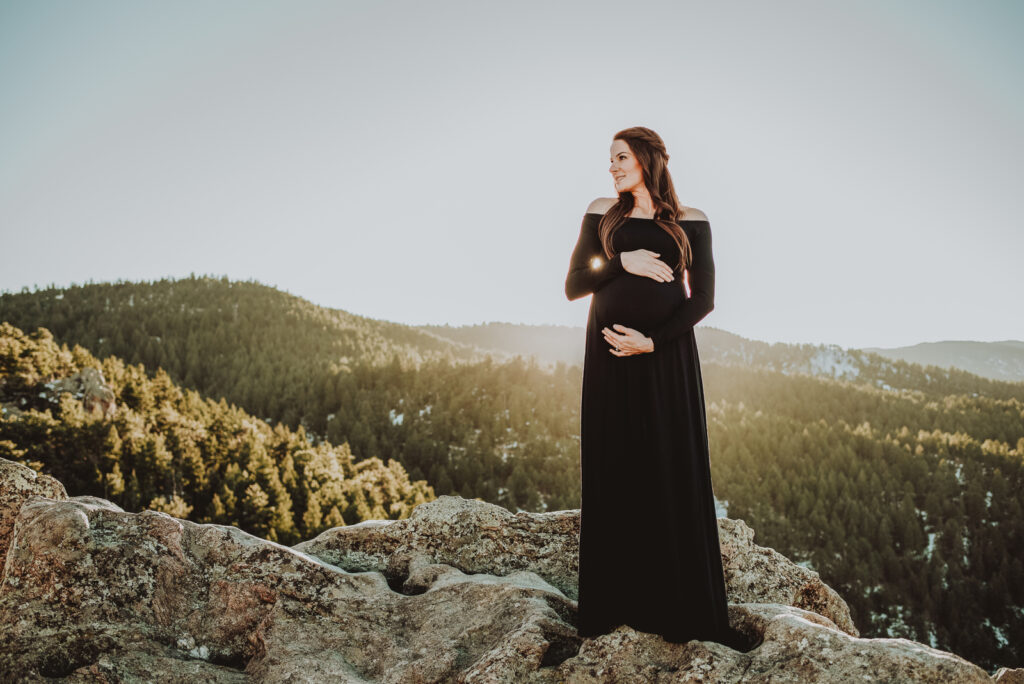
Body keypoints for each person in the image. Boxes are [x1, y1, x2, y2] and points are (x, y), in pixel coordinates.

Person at [565, 126, 756, 651]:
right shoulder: (603, 212)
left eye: (621, 157)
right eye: (610, 159)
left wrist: (653, 342)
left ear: (647, 160)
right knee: (614, 466)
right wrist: (618, 262)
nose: (612, 166)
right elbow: (574, 283)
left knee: (667, 466)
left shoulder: (690, 221)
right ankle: (613, 605)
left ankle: (679, 608)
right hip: (608, 362)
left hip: (664, 362)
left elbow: (704, 300)